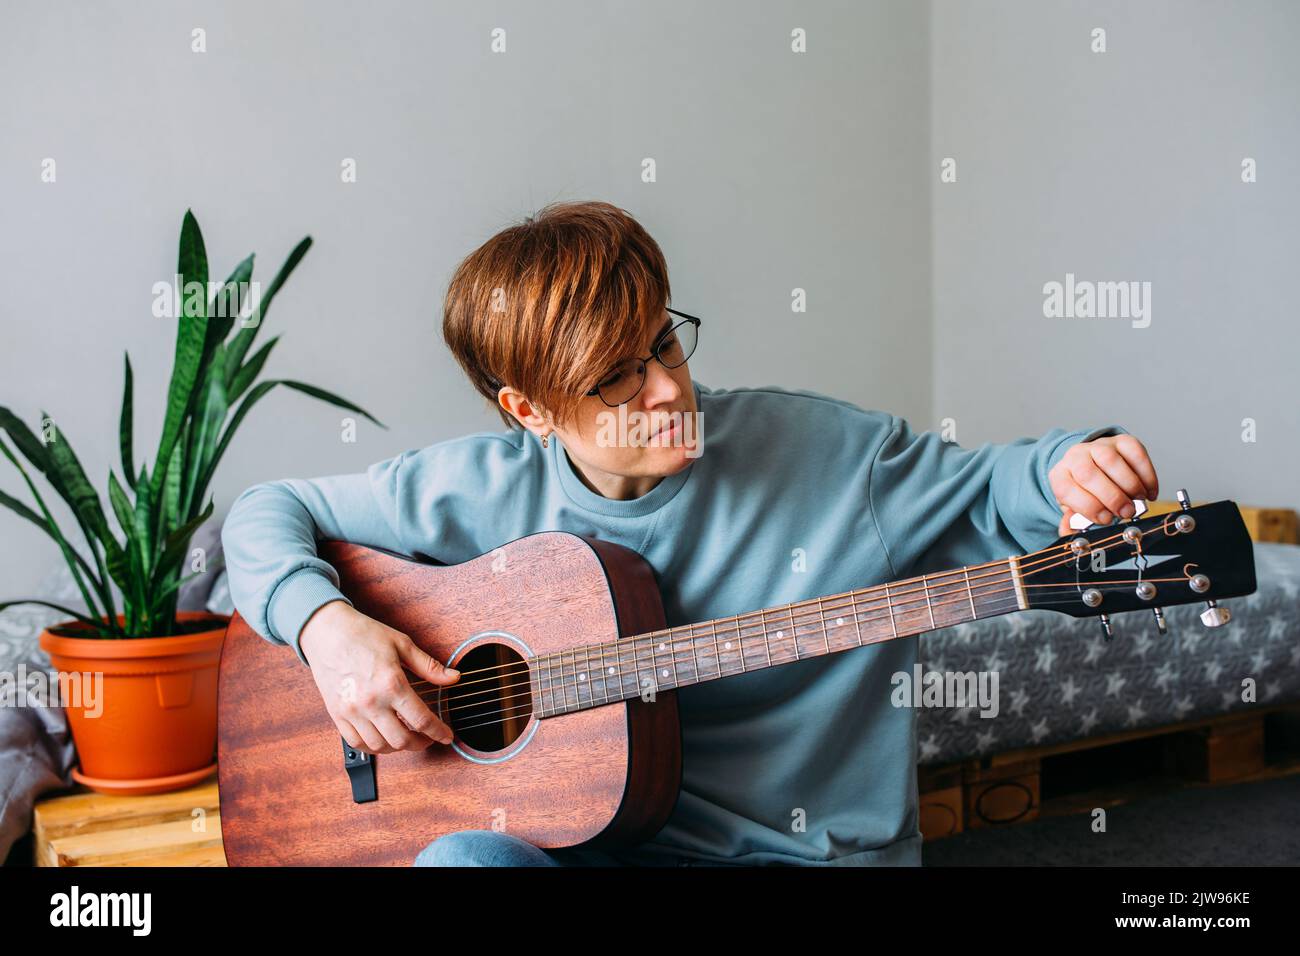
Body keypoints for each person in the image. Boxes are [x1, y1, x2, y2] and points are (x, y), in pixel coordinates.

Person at [220, 200, 1159, 867]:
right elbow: (265, 512)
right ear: (529, 409)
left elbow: (999, 488)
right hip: (581, 849)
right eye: (617, 379)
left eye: (665, 344)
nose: (669, 391)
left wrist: (1071, 466)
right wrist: (328, 634)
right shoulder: (474, 488)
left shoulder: (827, 455)